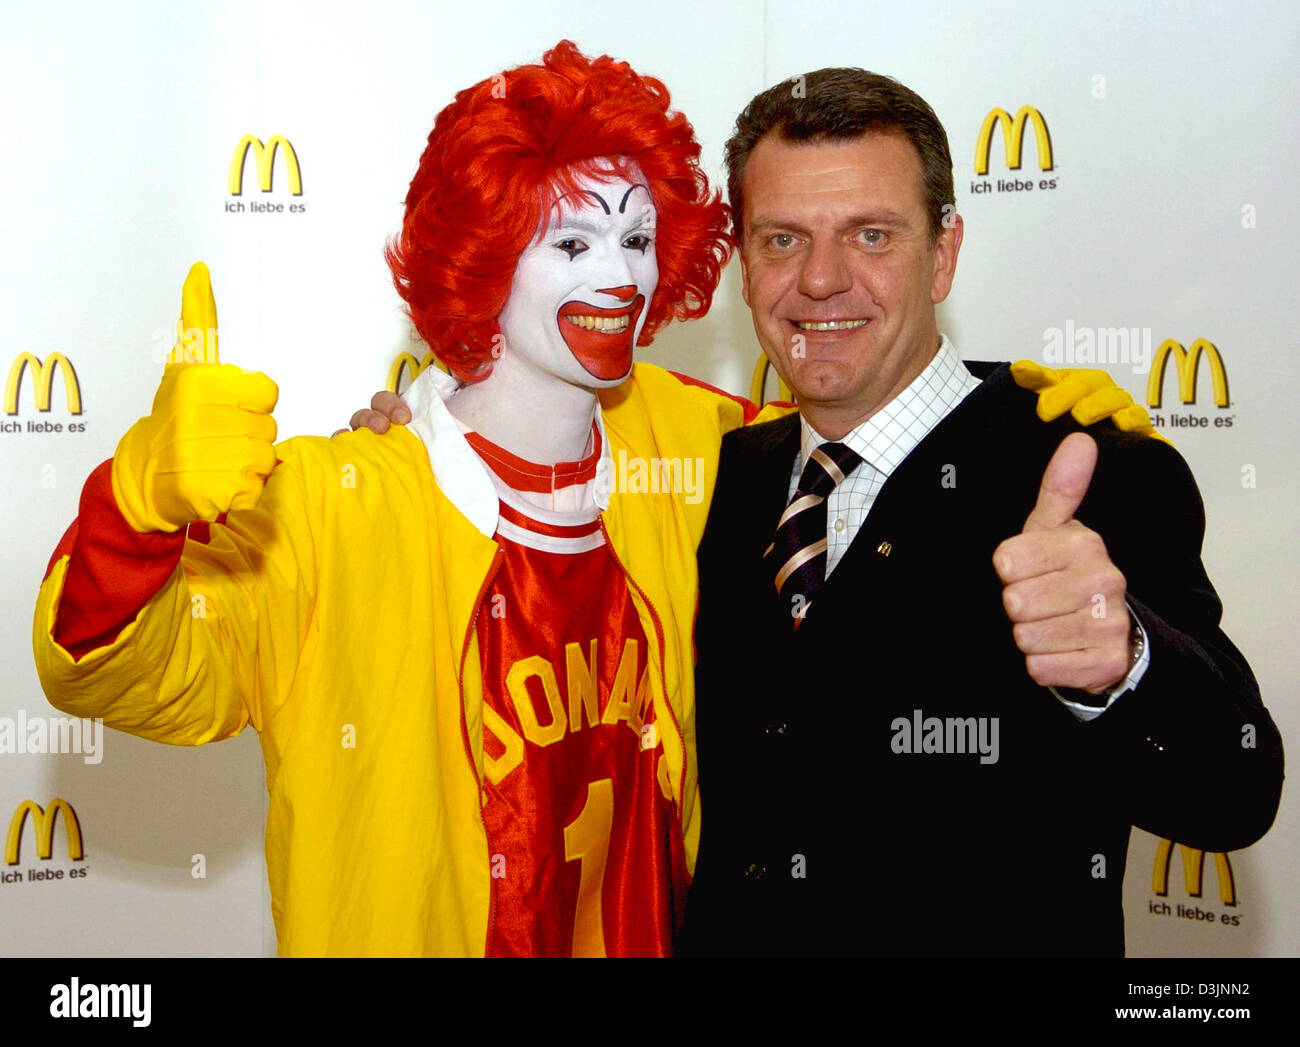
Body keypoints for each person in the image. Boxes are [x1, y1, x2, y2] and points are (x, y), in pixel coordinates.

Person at [32, 40, 797, 957]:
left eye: (637, 239)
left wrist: (1007, 436)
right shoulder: (333, 505)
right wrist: (134, 509)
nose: (621, 277)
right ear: (483, 253)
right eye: (572, 241)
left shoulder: (689, 443)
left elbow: (860, 459)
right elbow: (122, 671)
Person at [667, 67, 1283, 956]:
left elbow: (1236, 787)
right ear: (742, 259)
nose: (821, 280)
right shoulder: (715, 478)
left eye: (870, 235)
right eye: (781, 239)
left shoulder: (1092, 470)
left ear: (944, 252)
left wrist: (1125, 663)